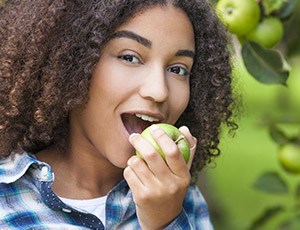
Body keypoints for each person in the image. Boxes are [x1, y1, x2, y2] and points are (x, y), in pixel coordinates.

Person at [0, 0, 237, 229]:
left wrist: (166, 221)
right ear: (71, 63)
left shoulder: (182, 199)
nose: (159, 90)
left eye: (177, 69)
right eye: (130, 57)